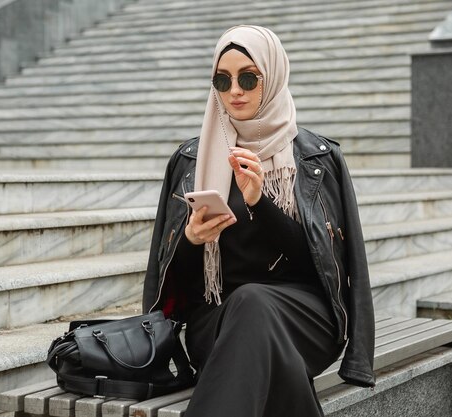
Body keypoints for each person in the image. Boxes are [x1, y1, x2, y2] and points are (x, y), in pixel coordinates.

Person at [142, 25, 375, 417]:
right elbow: (167, 280)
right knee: (251, 308)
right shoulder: (189, 162)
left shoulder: (318, 159)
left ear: (274, 75)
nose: (235, 91)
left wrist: (260, 203)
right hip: (216, 322)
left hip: (306, 319)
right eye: (223, 79)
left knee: (254, 300)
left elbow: (333, 265)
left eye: (248, 78)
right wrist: (191, 239)